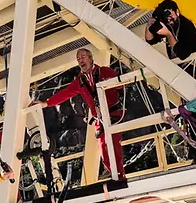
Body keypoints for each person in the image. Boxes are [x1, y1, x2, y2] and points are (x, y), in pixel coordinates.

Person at [31, 48, 126, 181]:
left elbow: (119, 84)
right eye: (78, 59)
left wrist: (111, 82)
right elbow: (65, 94)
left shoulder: (104, 71)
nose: (80, 60)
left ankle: (120, 176)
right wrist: (45, 104)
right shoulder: (80, 81)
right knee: (103, 148)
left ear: (90, 58)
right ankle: (115, 175)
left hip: (113, 114)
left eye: (83, 57)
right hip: (100, 119)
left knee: (114, 144)